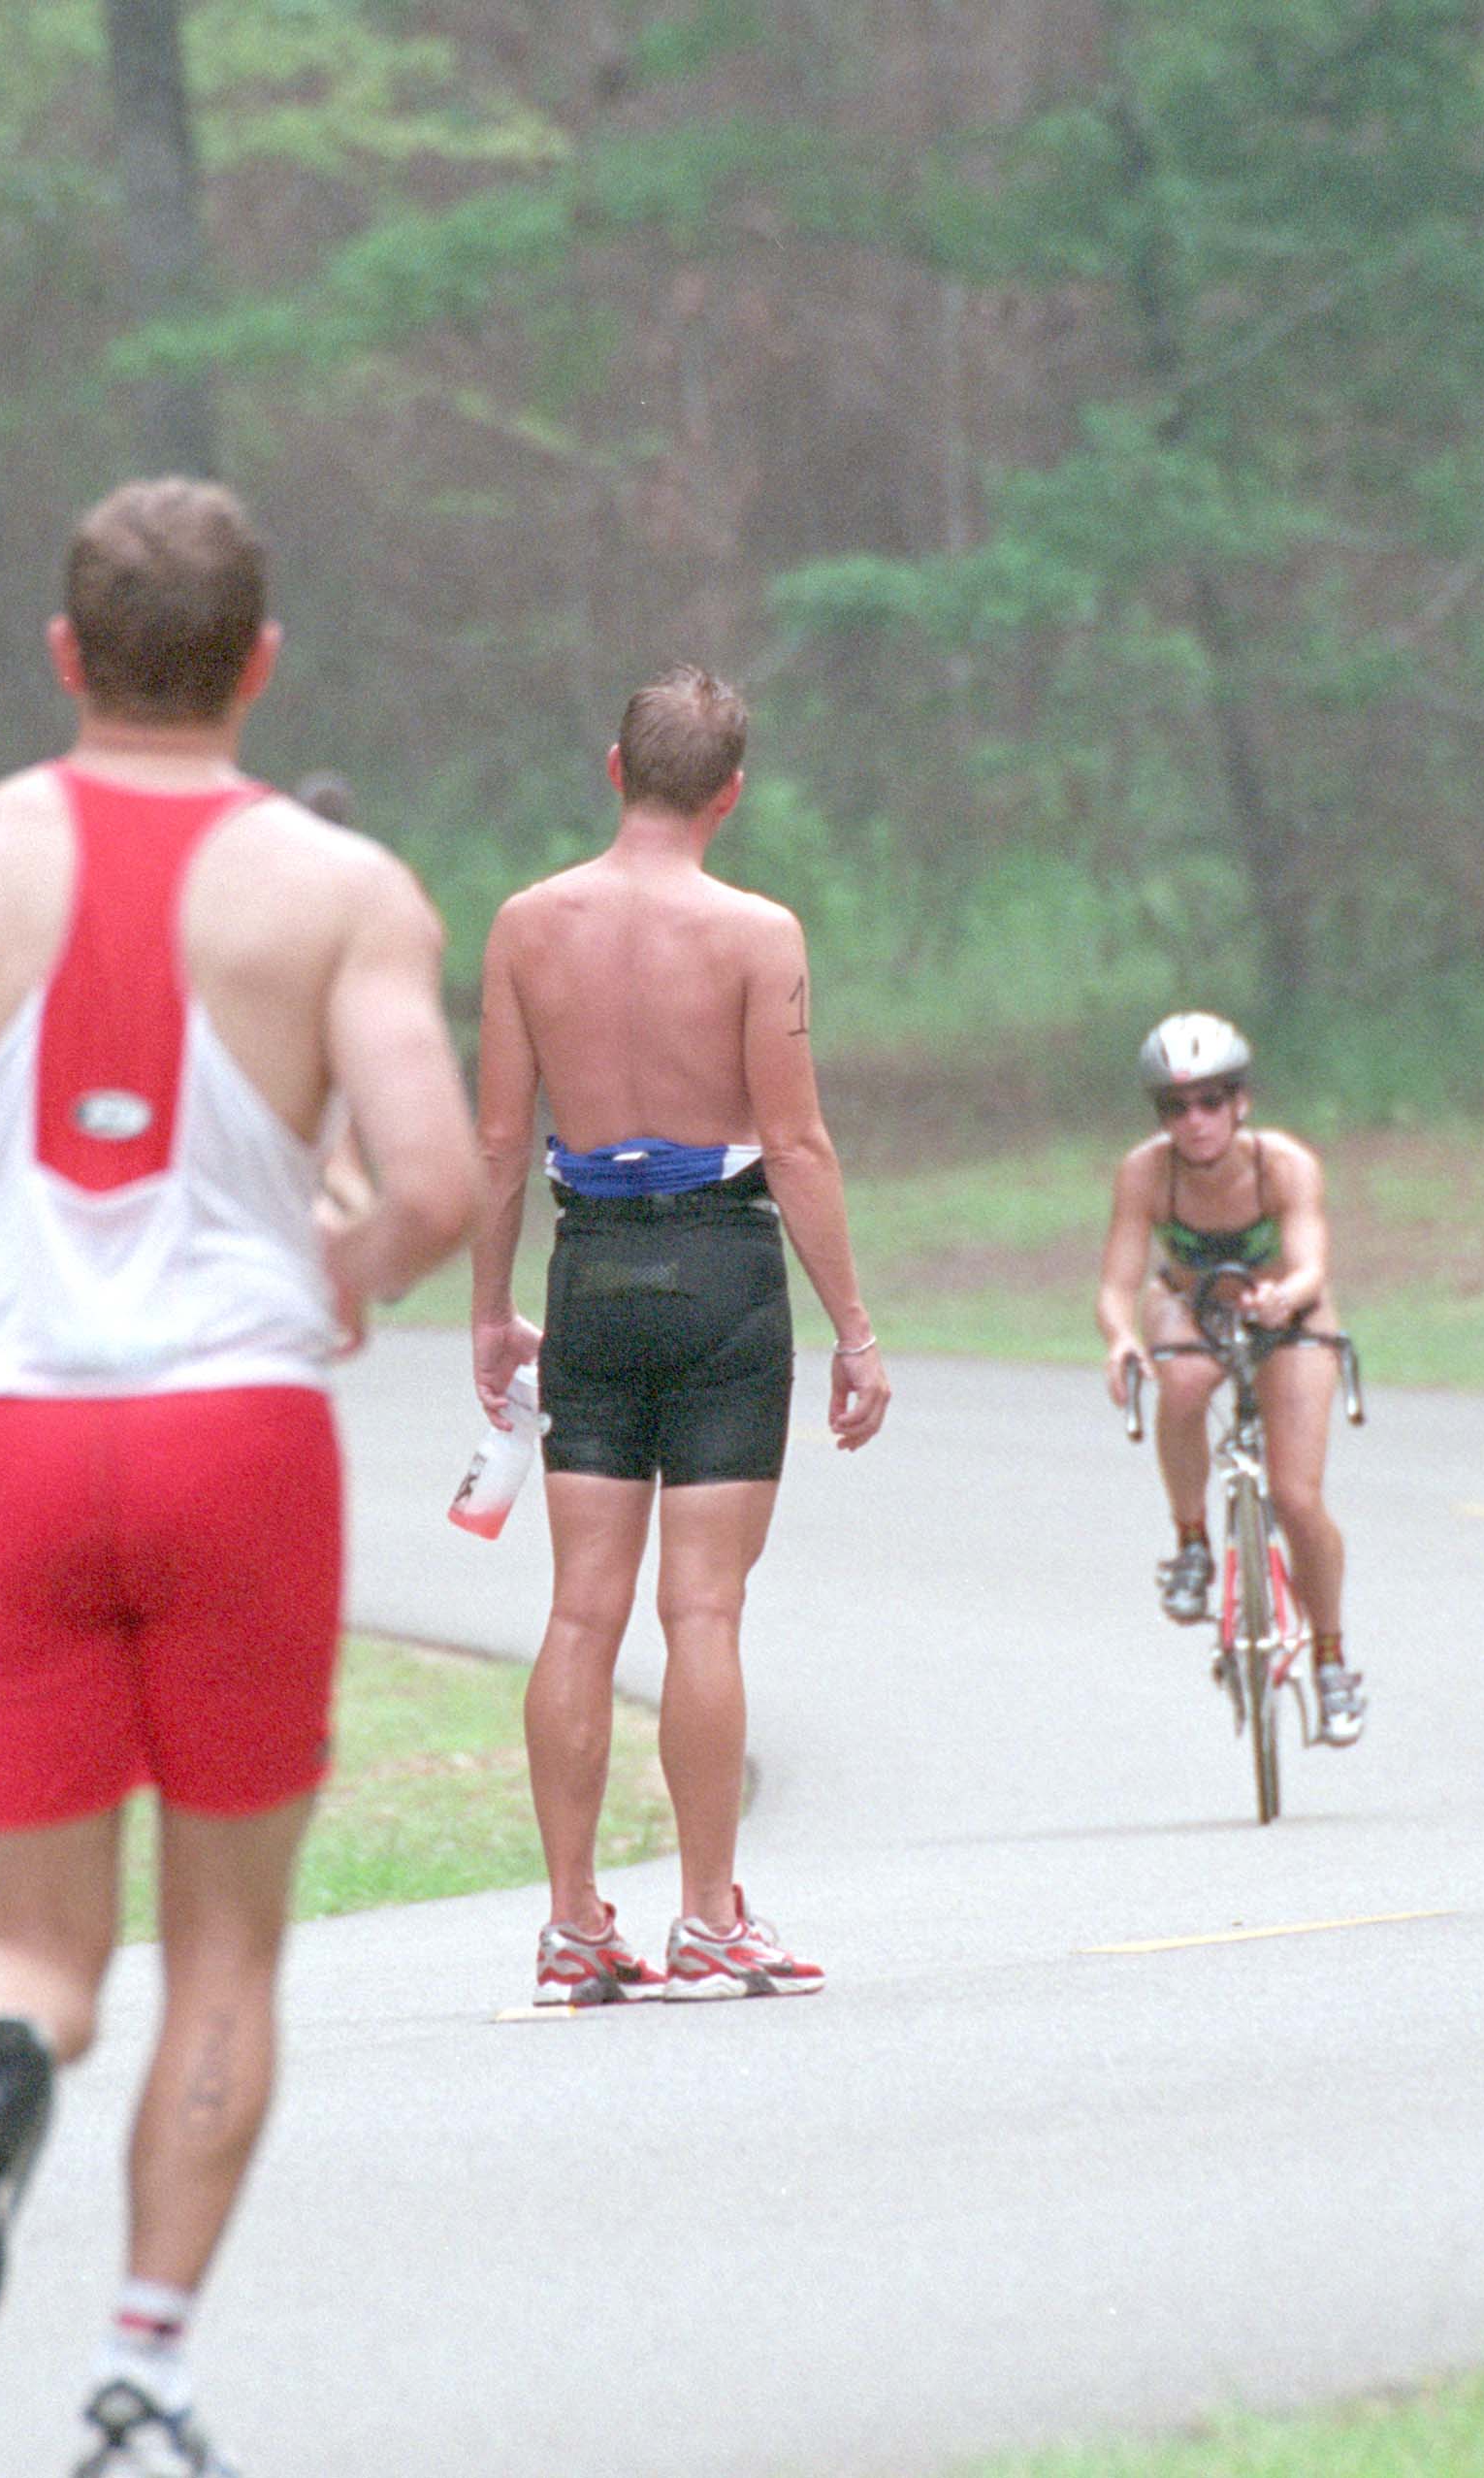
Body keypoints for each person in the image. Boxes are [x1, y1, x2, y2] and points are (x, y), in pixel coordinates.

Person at [0, 477, 479, 2476]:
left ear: (66, 654)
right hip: (235, 1427)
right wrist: (330, 1275)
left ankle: (0, 2066)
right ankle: (142, 2365)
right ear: (261, 663)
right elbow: (429, 1177)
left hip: (4, 1430)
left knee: (38, 1945)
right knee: (230, 1944)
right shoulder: (342, 891)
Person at [467, 665, 889, 2008]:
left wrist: (488, 1307)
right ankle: (710, 1915)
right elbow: (801, 1139)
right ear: (732, 793)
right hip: (722, 1269)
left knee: (580, 1608)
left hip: (588, 1264)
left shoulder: (528, 924)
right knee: (703, 1604)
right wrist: (856, 1331)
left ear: (613, 768)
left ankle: (572, 1923)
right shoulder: (759, 933)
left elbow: (493, 1140)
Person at [1093, 1013, 1364, 1744]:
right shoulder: (1145, 1173)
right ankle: (1191, 1544)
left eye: (1211, 1101)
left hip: (1286, 1310)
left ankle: (1332, 1660)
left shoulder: (1285, 1165)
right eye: (1176, 1107)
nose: (1195, 1121)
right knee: (1178, 1384)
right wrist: (1120, 1341)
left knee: (1298, 1501)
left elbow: (1311, 1259)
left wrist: (1289, 1293)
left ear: (1241, 1101)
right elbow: (1119, 1283)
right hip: (1194, 1307)